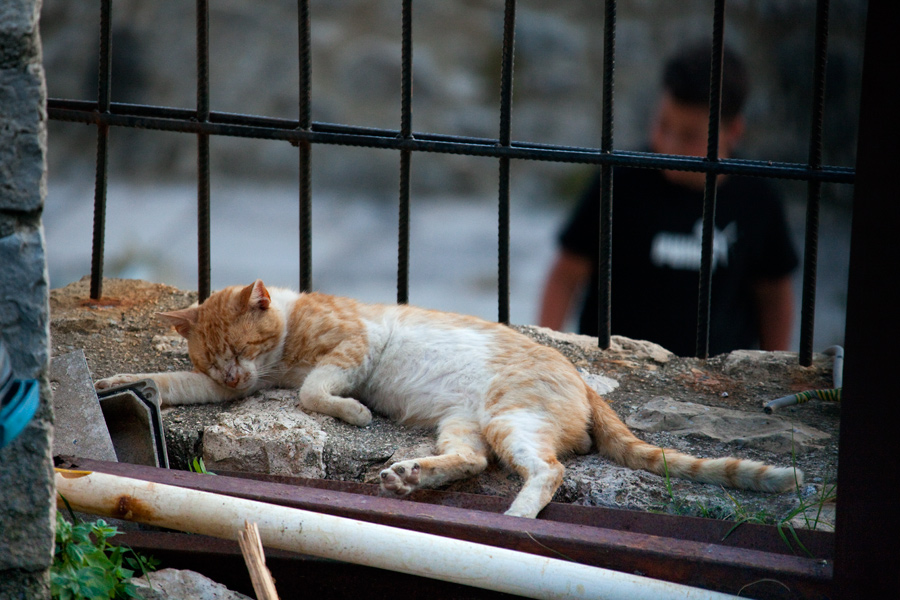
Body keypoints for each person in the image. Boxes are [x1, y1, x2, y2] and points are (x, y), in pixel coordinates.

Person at [538, 43, 798, 357]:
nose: (669, 145)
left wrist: (773, 367)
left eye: (689, 136)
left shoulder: (757, 197)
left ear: (734, 131)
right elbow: (566, 274)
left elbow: (774, 296)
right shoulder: (621, 179)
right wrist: (548, 355)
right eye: (662, 125)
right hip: (614, 369)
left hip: (715, 384)